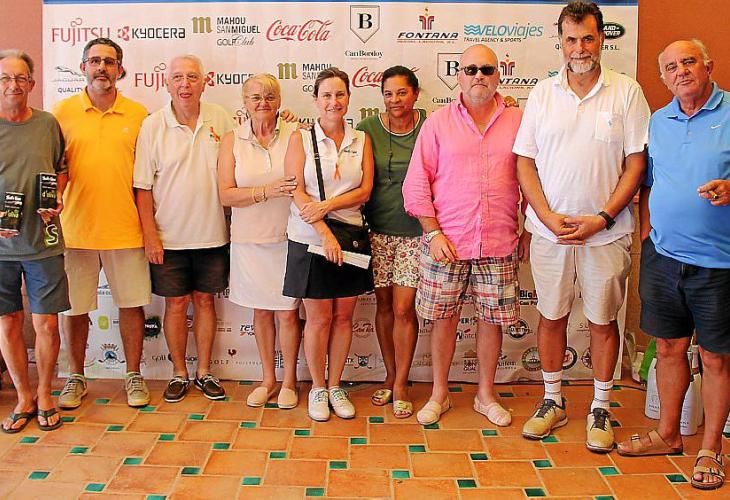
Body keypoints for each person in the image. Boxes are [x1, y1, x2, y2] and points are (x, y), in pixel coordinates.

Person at [513, 1, 649, 452]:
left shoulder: (626, 91)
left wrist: (602, 217)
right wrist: (546, 216)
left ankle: (601, 407)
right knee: (551, 317)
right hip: (549, 232)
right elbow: (525, 163)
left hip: (606, 232)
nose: (579, 48)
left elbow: (636, 164)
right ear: (560, 41)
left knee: (603, 322)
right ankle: (552, 401)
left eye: (587, 38)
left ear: (601, 39)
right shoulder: (542, 93)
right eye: (571, 39)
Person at [617, 39, 729, 491]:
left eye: (688, 61)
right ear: (662, 78)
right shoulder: (659, 121)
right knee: (667, 348)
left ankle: (711, 449)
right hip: (663, 257)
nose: (681, 71)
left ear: (708, 66)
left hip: (719, 263)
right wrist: (648, 235)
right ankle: (668, 434)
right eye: (671, 67)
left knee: (716, 357)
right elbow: (648, 182)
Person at [403, 44, 528, 427]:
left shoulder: (520, 121)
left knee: (492, 320)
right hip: (446, 242)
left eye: (487, 70)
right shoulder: (438, 123)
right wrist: (433, 232)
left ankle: (485, 394)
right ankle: (439, 394)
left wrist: (527, 228)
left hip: (499, 240)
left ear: (498, 76)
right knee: (443, 318)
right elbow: (416, 183)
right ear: (458, 75)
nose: (479, 76)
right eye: (471, 69)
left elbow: (534, 178)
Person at [53, 38, 152, 408]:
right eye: (94, 61)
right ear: (83, 67)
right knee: (74, 308)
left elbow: (147, 178)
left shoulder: (139, 115)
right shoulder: (61, 113)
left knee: (132, 306)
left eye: (109, 62)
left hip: (126, 229)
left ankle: (134, 375)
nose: (102, 68)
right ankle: (75, 377)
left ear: (120, 69)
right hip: (74, 231)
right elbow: (52, 169)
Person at [134, 55, 234, 402]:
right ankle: (179, 372)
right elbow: (142, 188)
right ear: (167, 84)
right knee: (175, 305)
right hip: (168, 238)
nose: (185, 84)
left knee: (205, 302)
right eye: (177, 77)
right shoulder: (152, 126)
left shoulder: (220, 118)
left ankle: (204, 371)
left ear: (204, 83)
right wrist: (150, 236)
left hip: (212, 234)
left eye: (192, 77)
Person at [283, 67, 374, 422]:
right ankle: (318, 387)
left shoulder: (361, 139)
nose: (333, 102)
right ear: (316, 100)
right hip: (309, 239)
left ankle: (336, 385)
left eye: (339, 95)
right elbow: (296, 190)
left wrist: (329, 206)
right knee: (319, 318)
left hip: (351, 236)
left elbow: (364, 190)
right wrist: (323, 231)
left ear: (348, 98)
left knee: (344, 317)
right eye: (326, 95)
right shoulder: (300, 139)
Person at [218, 73, 302, 409]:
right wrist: (265, 191)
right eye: (255, 97)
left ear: (280, 101)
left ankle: (290, 381)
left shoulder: (296, 134)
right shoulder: (232, 139)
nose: (263, 102)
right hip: (248, 241)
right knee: (262, 313)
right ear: (245, 102)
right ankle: (268, 380)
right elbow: (226, 195)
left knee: (288, 314)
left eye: (270, 96)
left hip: (289, 238)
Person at [0, 49, 68, 432]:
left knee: (47, 324)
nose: (14, 85)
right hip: (1, 250)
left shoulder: (47, 124)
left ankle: (44, 394)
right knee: (8, 321)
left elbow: (61, 170)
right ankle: (23, 397)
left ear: (32, 83)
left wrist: (57, 197)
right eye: (6, 78)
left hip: (44, 242)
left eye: (20, 78)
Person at [356, 66, 424, 418]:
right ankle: (390, 374)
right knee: (383, 307)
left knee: (403, 309)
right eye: (388, 93)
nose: (394, 100)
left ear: (415, 93)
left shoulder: (431, 125)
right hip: (376, 232)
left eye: (401, 92)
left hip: (417, 234)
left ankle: (401, 384)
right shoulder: (367, 129)